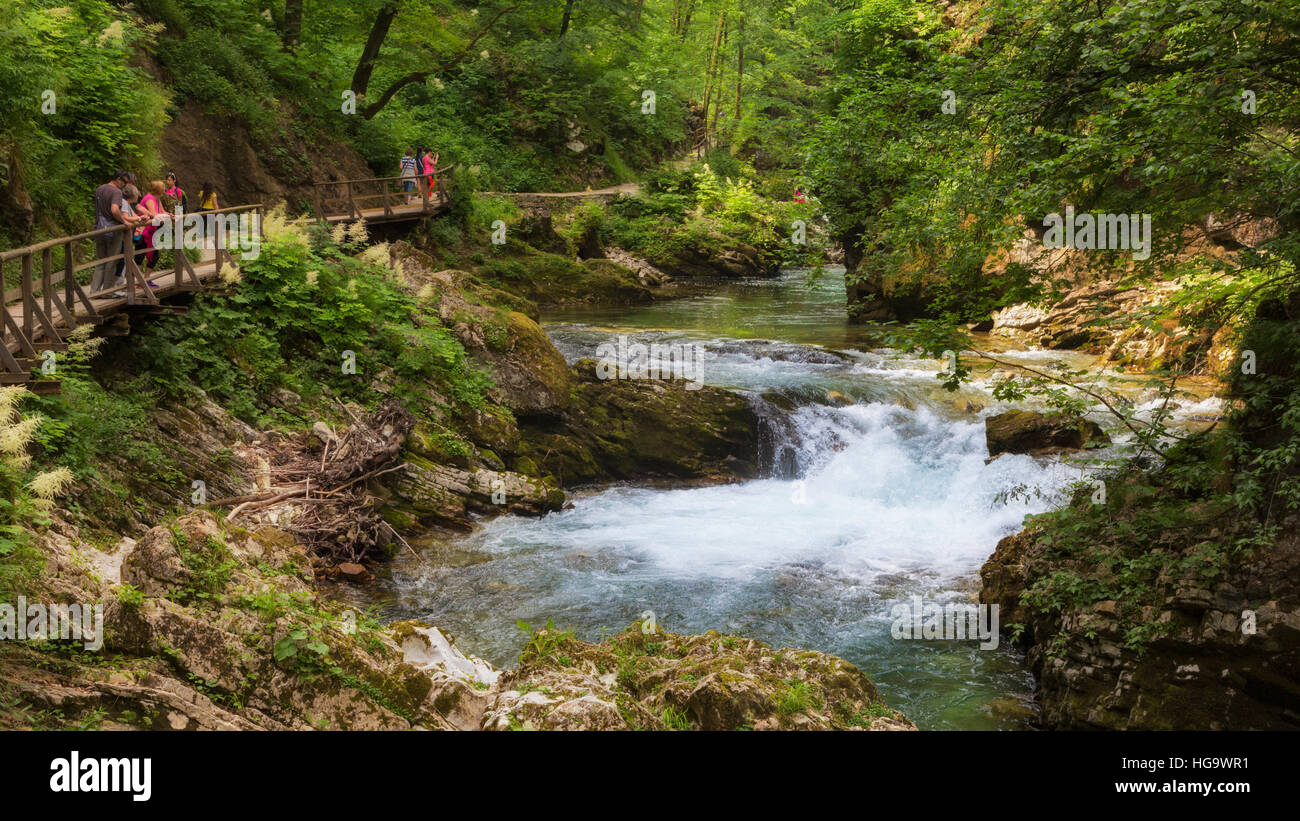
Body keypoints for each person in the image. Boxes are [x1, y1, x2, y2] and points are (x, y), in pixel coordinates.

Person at [91, 170, 135, 294]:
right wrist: (124, 221)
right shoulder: (116, 192)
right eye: (125, 182)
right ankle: (107, 292)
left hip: (99, 229)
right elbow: (115, 210)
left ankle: (94, 291)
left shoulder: (100, 189)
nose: (125, 185)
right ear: (118, 179)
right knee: (112, 261)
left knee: (101, 261)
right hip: (113, 230)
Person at [135, 181, 170, 275]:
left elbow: (162, 212)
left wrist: (170, 215)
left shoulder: (157, 199)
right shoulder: (149, 198)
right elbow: (154, 214)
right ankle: (136, 281)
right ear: (159, 190)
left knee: (154, 256)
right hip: (144, 231)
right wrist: (165, 217)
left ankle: (146, 279)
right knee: (140, 255)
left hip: (153, 231)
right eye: (163, 189)